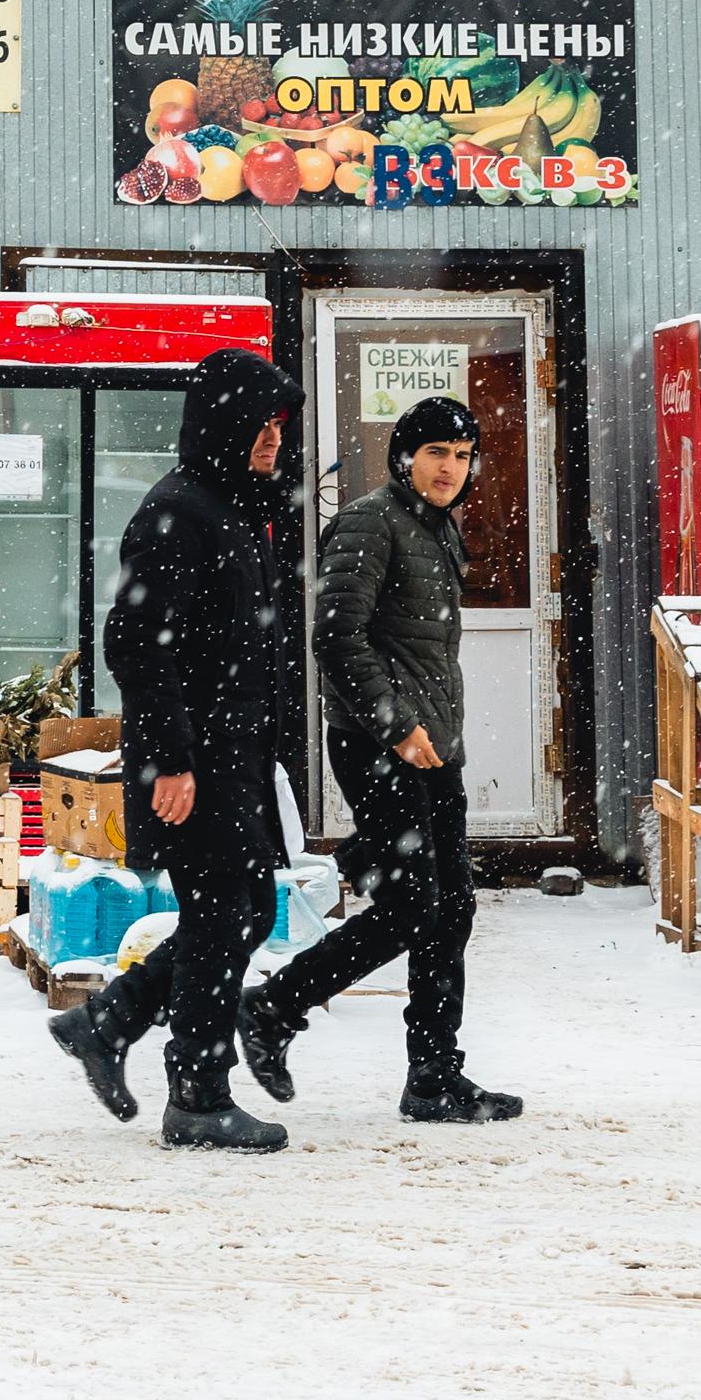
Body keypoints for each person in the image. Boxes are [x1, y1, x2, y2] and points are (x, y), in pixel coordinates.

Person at [48, 347, 314, 1153]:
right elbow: (132, 643)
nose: (272, 439)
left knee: (233, 913)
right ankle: (196, 1093)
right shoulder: (179, 511)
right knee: (226, 912)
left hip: (233, 755)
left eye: (278, 425)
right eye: (258, 424)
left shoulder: (235, 507)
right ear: (220, 422)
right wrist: (169, 759)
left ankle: (110, 1021)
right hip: (196, 761)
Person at [240, 391, 519, 1125]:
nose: (451, 468)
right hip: (380, 746)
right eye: (437, 454)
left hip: (433, 746)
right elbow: (336, 636)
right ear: (406, 457)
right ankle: (272, 1008)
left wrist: (431, 732)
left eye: (462, 456)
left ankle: (433, 1075)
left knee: (451, 909)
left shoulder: (436, 527)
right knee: (409, 910)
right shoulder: (371, 520)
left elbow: (415, 649)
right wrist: (396, 726)